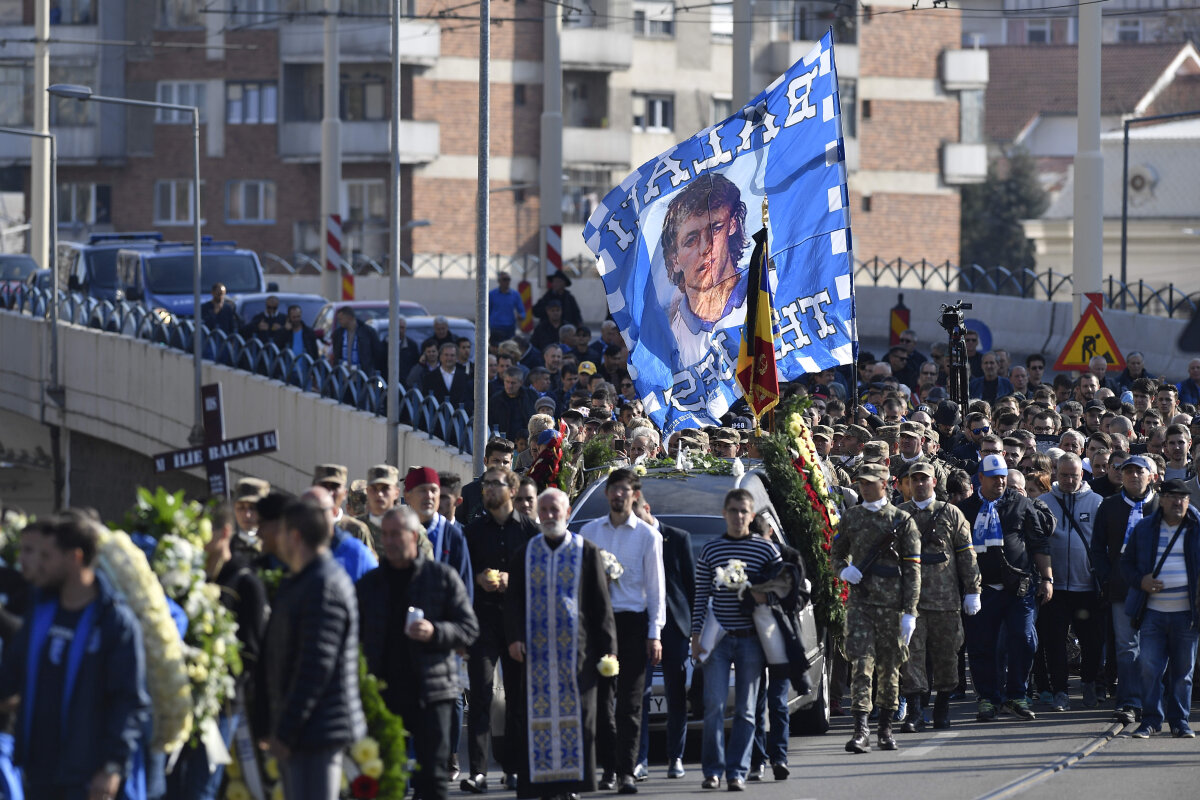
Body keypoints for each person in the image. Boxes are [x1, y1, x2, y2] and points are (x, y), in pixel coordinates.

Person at [0, 513, 150, 800]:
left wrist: (111, 767)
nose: (38, 565)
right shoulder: (41, 611)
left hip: (86, 778)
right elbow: (10, 676)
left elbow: (128, 700)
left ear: (75, 558)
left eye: (47, 556)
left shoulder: (113, 621)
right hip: (40, 773)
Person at [357, 506, 479, 800]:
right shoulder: (370, 584)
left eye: (396, 534)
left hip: (431, 693)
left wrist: (435, 632)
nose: (389, 541)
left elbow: (469, 629)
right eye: (385, 535)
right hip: (384, 695)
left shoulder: (441, 578)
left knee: (432, 780)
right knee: (387, 778)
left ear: (413, 536)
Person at [504, 488, 617, 800]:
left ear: (567, 513)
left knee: (579, 720)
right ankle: (541, 785)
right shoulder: (525, 553)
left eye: (556, 510)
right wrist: (514, 637)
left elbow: (600, 604)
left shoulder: (586, 550)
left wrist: (608, 648)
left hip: (577, 655)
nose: (550, 516)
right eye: (545, 510)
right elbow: (512, 602)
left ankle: (571, 786)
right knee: (536, 720)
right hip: (536, 655)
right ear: (538, 514)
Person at [254, 498, 367, 800]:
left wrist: (285, 730)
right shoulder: (303, 580)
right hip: (305, 728)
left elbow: (315, 667)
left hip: (319, 730)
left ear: (294, 536)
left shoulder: (323, 585)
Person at [579, 468, 666, 794]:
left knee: (630, 704)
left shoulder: (648, 537)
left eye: (624, 490)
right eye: (613, 489)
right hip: (598, 625)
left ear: (634, 496)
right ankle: (609, 769)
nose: (618, 495)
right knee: (602, 703)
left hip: (633, 623)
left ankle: (627, 771)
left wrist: (655, 632)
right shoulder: (589, 532)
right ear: (607, 494)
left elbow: (656, 589)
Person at [692, 489, 782, 788]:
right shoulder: (711, 549)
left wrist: (757, 592)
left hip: (751, 641)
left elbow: (780, 591)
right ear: (724, 513)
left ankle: (737, 771)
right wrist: (695, 636)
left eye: (744, 511)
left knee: (745, 709)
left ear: (752, 515)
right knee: (714, 705)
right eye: (733, 510)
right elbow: (701, 594)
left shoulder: (766, 550)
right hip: (717, 641)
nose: (738, 516)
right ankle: (713, 771)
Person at [958, 454, 1055, 722]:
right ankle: (988, 698)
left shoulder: (1022, 504)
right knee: (980, 645)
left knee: (1023, 639)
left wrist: (1047, 579)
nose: (1000, 481)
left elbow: (1039, 544)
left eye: (1003, 476)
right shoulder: (965, 509)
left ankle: (1016, 695)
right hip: (981, 590)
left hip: (1019, 588)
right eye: (994, 477)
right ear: (980, 478)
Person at [832, 464, 921, 753]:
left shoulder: (901, 519)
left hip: (892, 606)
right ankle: (861, 730)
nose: (865, 488)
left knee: (889, 669)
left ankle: (885, 728)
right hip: (861, 603)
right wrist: (843, 571)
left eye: (871, 483)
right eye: (861, 483)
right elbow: (836, 552)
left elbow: (913, 570)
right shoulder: (852, 517)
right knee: (861, 664)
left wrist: (910, 611)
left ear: (886, 484)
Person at [461, 467, 539, 793]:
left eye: (497, 483)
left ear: (512, 488)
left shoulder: (531, 531)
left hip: (518, 624)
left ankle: (515, 768)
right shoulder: (473, 531)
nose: (489, 489)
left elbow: (540, 576)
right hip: (483, 622)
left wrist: (512, 580)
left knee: (518, 699)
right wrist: (480, 577)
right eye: (487, 484)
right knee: (479, 696)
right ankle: (478, 772)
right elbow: (462, 576)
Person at [897, 462, 980, 731]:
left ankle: (942, 707)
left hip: (946, 602)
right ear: (908, 483)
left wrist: (972, 590)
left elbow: (967, 555)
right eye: (915, 480)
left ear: (934, 482)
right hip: (911, 604)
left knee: (947, 657)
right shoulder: (899, 515)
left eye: (925, 479)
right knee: (911, 658)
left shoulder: (952, 514)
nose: (919, 484)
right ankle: (916, 711)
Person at [1121, 479, 1200, 738]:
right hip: (1153, 613)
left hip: (1187, 615)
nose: (1178, 502)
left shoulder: (1198, 529)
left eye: (1183, 497)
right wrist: (1140, 581)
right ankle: (1152, 720)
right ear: (1162, 499)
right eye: (1173, 497)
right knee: (1149, 668)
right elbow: (1126, 565)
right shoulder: (1144, 529)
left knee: (1182, 673)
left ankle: (1180, 722)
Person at [1091, 454, 1159, 725]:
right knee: (1126, 647)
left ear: (1150, 476)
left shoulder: (1162, 506)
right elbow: (1097, 548)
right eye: (1127, 471)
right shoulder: (1109, 506)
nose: (1132, 476)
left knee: (1154, 647)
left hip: (1159, 590)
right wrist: (1107, 577)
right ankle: (1129, 701)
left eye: (1138, 472)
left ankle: (1152, 700)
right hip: (1122, 589)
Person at [631, 494, 693, 781]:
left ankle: (675, 756)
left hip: (675, 628)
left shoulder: (677, 538)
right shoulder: (630, 539)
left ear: (646, 509)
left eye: (636, 513)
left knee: (676, 694)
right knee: (639, 696)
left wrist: (694, 630)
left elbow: (691, 588)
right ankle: (639, 759)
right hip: (641, 627)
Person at [661, 174, 748, 365]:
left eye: (715, 228)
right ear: (674, 259)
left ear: (732, 224)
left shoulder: (768, 290)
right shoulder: (666, 333)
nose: (705, 248)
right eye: (691, 240)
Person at [1039, 453, 1104, 711]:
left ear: (1082, 475)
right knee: (1054, 642)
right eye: (1063, 474)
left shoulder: (1097, 503)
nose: (1068, 480)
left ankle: (1088, 683)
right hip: (1055, 587)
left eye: (1073, 475)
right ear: (1055, 473)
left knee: (1091, 641)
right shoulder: (1043, 502)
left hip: (1086, 587)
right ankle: (1060, 692)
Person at [302, 486, 378, 583]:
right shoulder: (293, 545)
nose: (312, 517)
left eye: (319, 512)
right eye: (304, 512)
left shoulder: (357, 550)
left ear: (333, 511)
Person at [312, 464, 377, 555]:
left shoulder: (358, 529)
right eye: (324, 486)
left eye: (335, 487)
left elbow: (367, 566)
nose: (330, 493)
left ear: (344, 493)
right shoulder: (303, 527)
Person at [422, 341, 474, 412]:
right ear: (440, 357)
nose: (449, 358)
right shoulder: (429, 378)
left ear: (456, 358)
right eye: (446, 355)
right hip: (436, 419)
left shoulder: (465, 378)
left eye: (452, 355)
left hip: (459, 419)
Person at [330, 306, 381, 373]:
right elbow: (336, 355)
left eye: (341, 319)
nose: (339, 322)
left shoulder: (367, 332)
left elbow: (377, 353)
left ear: (349, 318)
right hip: (343, 374)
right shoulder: (338, 334)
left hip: (363, 374)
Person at [489, 271, 526, 343]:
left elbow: (522, 311)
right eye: (504, 279)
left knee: (509, 350)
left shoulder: (515, 295)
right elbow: (488, 311)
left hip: (510, 328)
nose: (507, 281)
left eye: (508, 279)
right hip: (496, 327)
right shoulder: (491, 294)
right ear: (499, 281)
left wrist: (520, 316)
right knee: (496, 349)